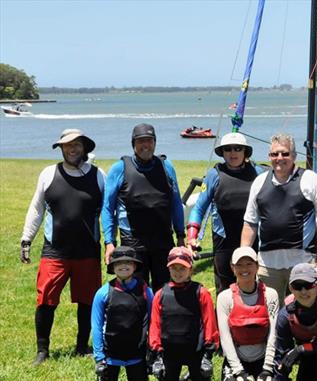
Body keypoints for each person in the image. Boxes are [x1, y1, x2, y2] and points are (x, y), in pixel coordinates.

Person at [21, 129, 106, 365]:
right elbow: (37, 208)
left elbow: (110, 211)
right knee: (46, 300)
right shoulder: (48, 174)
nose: (72, 149)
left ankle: (81, 346)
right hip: (54, 251)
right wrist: (26, 239)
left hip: (88, 251)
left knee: (87, 301)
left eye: (77, 144)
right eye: (67, 145)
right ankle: (42, 350)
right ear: (61, 148)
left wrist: (111, 243)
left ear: (84, 147)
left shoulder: (99, 176)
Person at [241, 133, 317, 301]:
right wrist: (244, 256)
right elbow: (250, 223)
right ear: (269, 156)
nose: (279, 158)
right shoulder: (259, 182)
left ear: (294, 156)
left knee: (302, 310)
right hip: (267, 265)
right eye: (274, 154)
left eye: (285, 153)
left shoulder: (310, 179)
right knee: (270, 311)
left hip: (302, 262)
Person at [102, 123, 185, 289]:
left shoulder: (166, 166)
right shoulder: (120, 169)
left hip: (163, 239)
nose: (145, 145)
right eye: (140, 141)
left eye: (149, 140)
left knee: (165, 290)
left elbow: (176, 203)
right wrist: (109, 242)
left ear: (154, 143)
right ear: (133, 144)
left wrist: (181, 235)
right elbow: (107, 208)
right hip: (132, 241)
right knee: (137, 292)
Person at [187, 132, 265, 293]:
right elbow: (199, 207)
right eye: (228, 149)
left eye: (238, 148)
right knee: (224, 288)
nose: (233, 153)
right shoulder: (214, 174)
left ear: (245, 152)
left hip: (254, 239)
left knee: (255, 286)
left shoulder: (258, 172)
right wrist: (192, 237)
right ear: (222, 153)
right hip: (224, 240)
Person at [148, 247, 219, 381]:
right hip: (170, 350)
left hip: (195, 350)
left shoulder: (201, 293)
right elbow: (155, 325)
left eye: (182, 268)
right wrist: (157, 352)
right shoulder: (160, 294)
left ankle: (194, 375)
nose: (178, 272)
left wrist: (208, 353)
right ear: (168, 269)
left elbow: (209, 323)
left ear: (191, 270)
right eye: (174, 268)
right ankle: (177, 376)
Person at [217, 246, 281, 381]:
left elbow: (274, 334)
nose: (244, 269)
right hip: (238, 358)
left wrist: (267, 369)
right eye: (239, 265)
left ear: (257, 267)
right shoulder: (224, 298)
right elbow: (225, 339)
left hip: (262, 358)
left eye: (249, 264)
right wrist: (239, 372)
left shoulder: (270, 295)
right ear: (232, 268)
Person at [91, 246, 154, 381]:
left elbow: (153, 320)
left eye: (128, 262)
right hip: (110, 354)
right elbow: (97, 326)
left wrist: (153, 351)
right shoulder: (103, 293)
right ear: (112, 267)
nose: (123, 266)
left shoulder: (146, 291)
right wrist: (99, 358)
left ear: (135, 266)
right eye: (119, 263)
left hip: (136, 353)